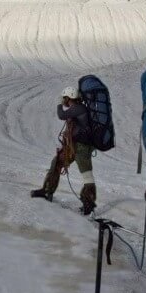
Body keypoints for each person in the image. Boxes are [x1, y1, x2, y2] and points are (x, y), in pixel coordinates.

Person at [30, 85, 98, 214]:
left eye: (65, 98)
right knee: (56, 163)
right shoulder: (78, 108)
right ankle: (47, 191)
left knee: (86, 175)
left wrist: (58, 106)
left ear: (69, 97)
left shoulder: (79, 108)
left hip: (82, 147)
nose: (64, 100)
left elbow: (61, 114)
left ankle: (89, 204)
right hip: (73, 146)